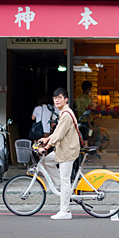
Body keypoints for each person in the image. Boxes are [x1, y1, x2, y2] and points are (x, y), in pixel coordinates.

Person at [38, 88, 81, 220]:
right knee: (47, 161)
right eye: (55, 98)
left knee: (65, 179)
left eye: (59, 97)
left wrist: (47, 145)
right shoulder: (63, 113)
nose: (56, 100)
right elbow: (57, 132)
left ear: (66, 99)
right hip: (62, 149)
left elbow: (59, 134)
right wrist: (48, 141)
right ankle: (61, 188)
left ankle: (65, 211)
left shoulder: (66, 114)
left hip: (68, 151)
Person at [74, 81, 102, 159]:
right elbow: (88, 112)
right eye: (90, 89)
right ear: (88, 88)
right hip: (86, 122)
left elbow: (76, 110)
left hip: (79, 121)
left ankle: (82, 155)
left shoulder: (78, 98)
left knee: (81, 138)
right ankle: (85, 157)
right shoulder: (87, 99)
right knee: (87, 139)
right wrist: (90, 124)